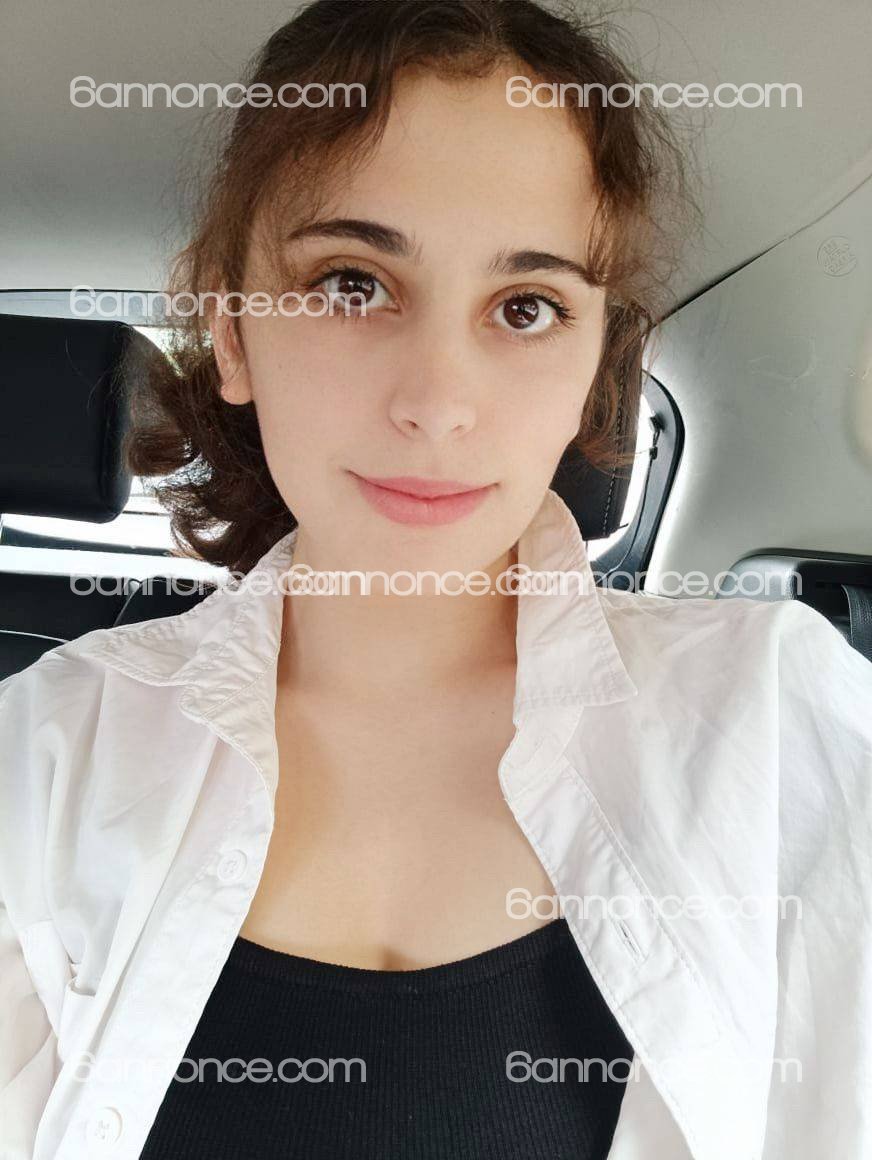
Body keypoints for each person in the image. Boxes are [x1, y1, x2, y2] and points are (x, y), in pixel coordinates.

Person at [1, 2, 871, 1158]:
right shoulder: (48, 751)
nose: (436, 402)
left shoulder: (771, 714)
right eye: (351, 283)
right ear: (234, 330)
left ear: (593, 369)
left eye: (526, 307)